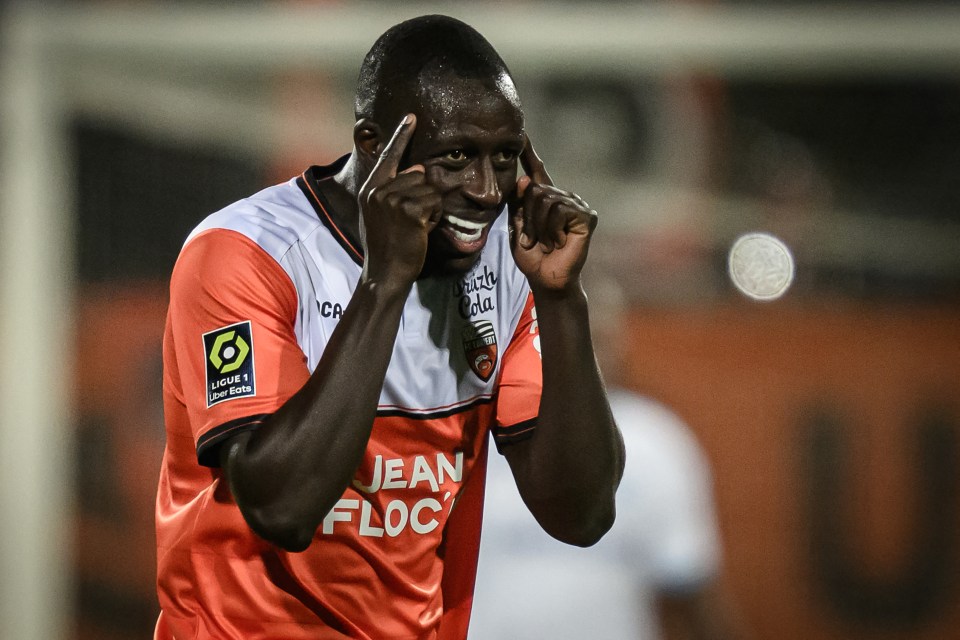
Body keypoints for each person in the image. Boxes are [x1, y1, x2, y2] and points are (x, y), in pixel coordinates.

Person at [154, 15, 624, 640]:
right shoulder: (245, 253)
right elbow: (281, 508)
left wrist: (562, 299)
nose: (486, 191)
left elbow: (581, 515)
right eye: (457, 157)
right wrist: (382, 286)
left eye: (504, 157)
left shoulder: (511, 264)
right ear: (375, 146)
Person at [470, 274, 745, 640]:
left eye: (592, 337)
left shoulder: (658, 443)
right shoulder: (474, 429)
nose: (578, 353)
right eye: (559, 333)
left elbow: (689, 585)